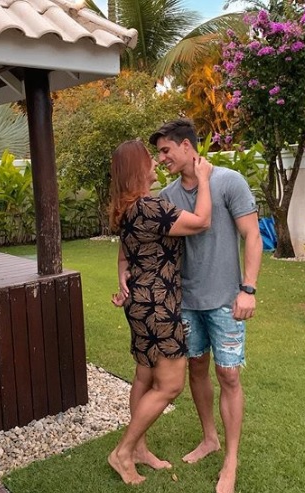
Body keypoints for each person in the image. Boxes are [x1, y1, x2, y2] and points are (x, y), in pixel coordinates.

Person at [149, 119, 263, 493]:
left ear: (187, 146)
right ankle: (209, 438)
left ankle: (231, 460)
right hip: (187, 301)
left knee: (228, 375)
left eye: (166, 150)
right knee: (196, 368)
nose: (161, 158)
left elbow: (252, 236)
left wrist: (248, 289)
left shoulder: (229, 181)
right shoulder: (167, 195)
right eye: (159, 153)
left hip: (227, 300)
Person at [108, 139, 213, 485]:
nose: (156, 162)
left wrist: (121, 276)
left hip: (139, 303)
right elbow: (201, 221)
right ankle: (123, 452)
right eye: (150, 159)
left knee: (144, 376)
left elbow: (124, 256)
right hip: (159, 305)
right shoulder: (150, 206)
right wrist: (204, 179)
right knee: (170, 385)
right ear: (138, 169)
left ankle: (139, 449)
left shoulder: (126, 209)